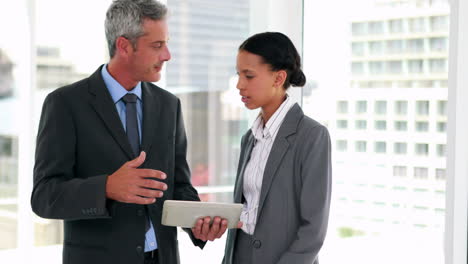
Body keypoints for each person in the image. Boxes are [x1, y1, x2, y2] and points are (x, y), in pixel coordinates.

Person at [31, 1, 227, 263]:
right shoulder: (65, 104)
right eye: (157, 45)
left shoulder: (169, 105)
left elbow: (177, 185)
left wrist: (197, 223)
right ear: (124, 46)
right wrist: (106, 187)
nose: (167, 55)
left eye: (166, 43)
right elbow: (44, 196)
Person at [222, 32, 332, 264]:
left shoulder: (312, 136)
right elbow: (246, 209)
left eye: (249, 76)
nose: (240, 85)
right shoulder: (249, 138)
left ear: (278, 78)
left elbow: (314, 229)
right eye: (238, 75)